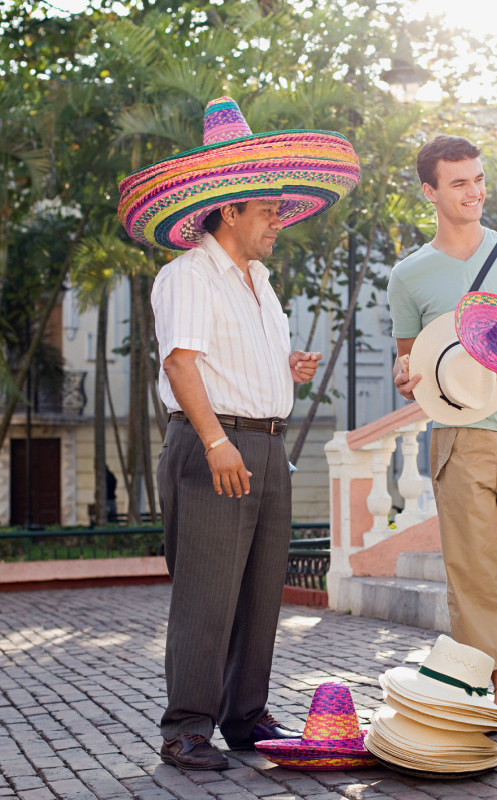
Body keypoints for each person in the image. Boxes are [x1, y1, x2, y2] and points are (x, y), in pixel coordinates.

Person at [117, 96, 360, 770]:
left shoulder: (261, 285)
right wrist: (218, 442)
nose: (279, 223)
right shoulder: (188, 275)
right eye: (269, 212)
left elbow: (230, 362)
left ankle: (245, 715)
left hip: (265, 442)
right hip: (214, 443)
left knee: (258, 591)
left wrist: (287, 371)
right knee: (207, 593)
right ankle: (186, 729)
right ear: (230, 211)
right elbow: (182, 362)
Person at [388, 134, 497, 730]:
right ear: (430, 191)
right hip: (457, 436)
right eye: (459, 182)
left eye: (478, 178)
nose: (474, 191)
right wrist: (403, 377)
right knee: (473, 566)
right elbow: (411, 360)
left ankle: (483, 663)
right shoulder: (409, 275)